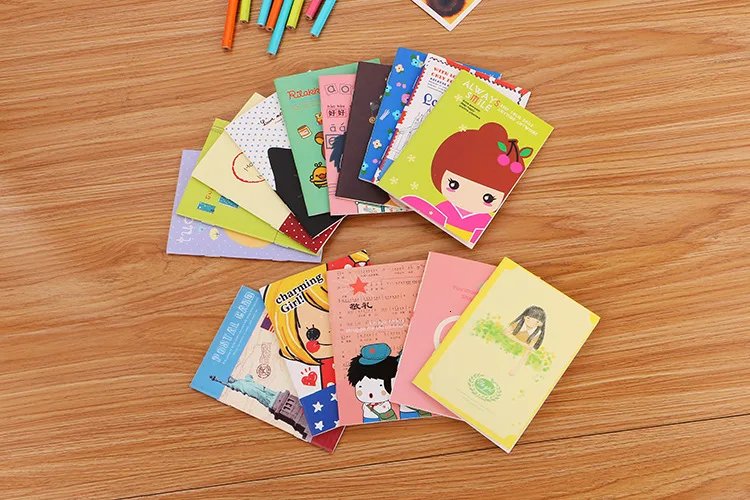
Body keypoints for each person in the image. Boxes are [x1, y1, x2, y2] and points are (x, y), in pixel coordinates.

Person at [401, 122, 533, 244]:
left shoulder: (484, 222)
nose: (468, 197)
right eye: (454, 184)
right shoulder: (443, 207)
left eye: (488, 198)